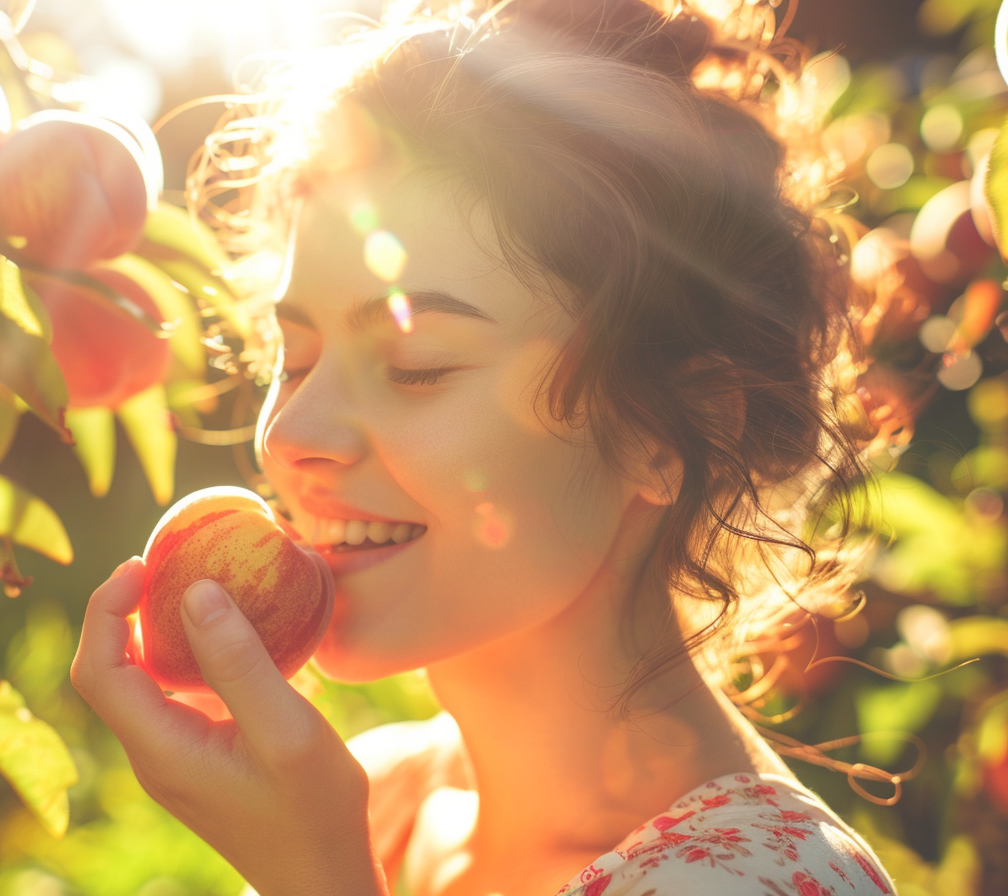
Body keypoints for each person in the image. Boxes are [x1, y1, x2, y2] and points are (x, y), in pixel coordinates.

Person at [70, 1, 902, 894]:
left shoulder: (752, 883)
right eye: (297, 358)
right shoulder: (385, 802)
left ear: (662, 430)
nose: (289, 437)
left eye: (417, 367)